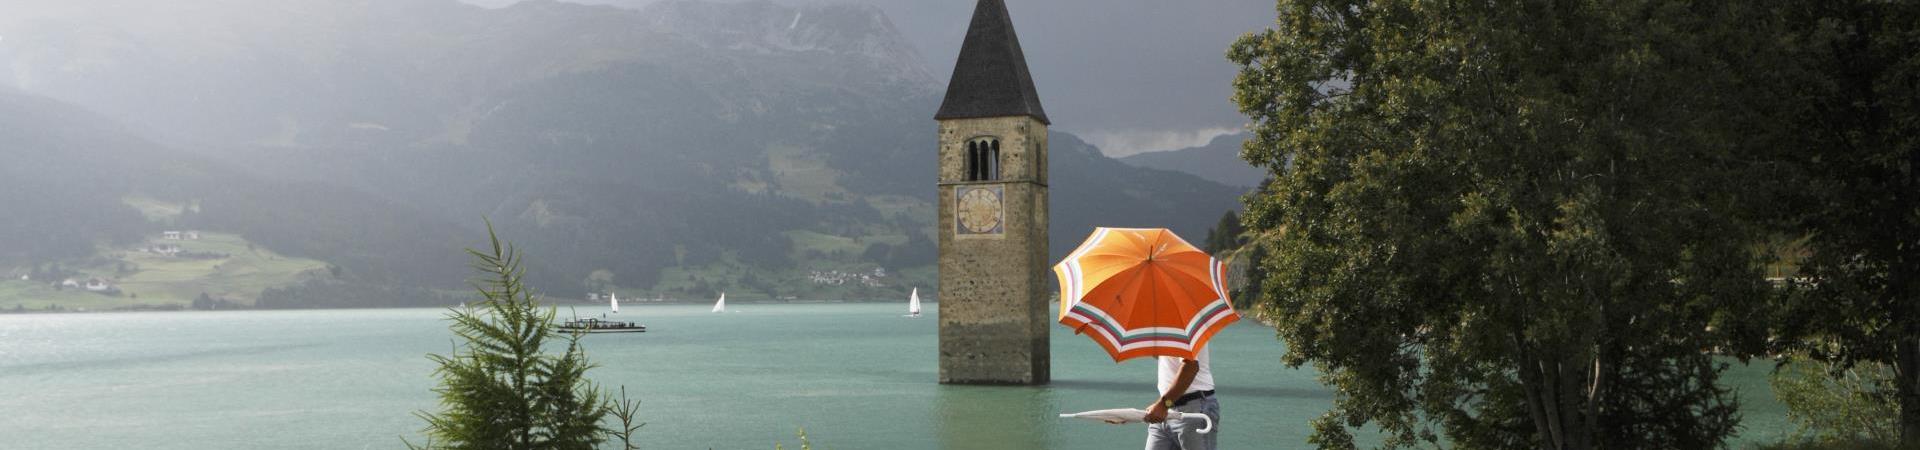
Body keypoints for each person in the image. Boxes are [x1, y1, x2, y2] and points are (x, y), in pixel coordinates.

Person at [1142, 344, 1218, 449]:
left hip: (1194, 408)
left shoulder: (1181, 329)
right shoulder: (1165, 330)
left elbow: (1190, 366)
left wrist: (1163, 405)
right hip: (1167, 409)